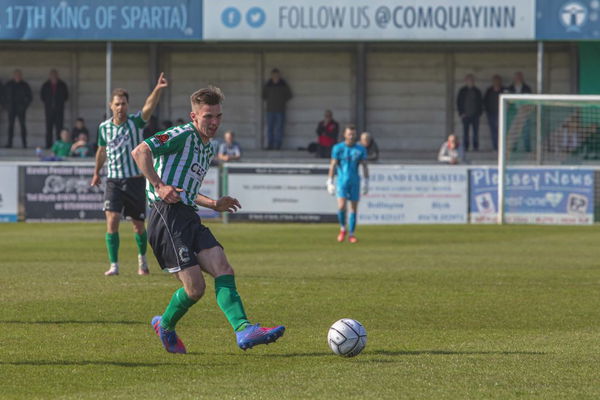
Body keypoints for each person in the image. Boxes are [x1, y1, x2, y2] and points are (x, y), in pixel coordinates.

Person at [131, 85, 285, 354]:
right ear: (194, 116)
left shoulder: (207, 148)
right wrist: (158, 185)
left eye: (218, 117)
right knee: (195, 289)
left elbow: (188, 190)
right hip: (165, 215)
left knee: (223, 267)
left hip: (188, 214)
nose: (214, 123)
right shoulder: (181, 134)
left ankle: (244, 329)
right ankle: (164, 325)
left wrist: (213, 203)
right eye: (207, 117)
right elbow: (140, 151)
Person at [90, 73, 168, 276]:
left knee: (137, 225)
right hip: (113, 181)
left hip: (134, 180)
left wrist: (157, 89)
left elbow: (148, 108)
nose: (120, 107)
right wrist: (96, 172)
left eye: (123, 104)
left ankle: (142, 262)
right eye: (117, 104)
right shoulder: (104, 128)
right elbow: (101, 151)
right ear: (111, 105)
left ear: (127, 105)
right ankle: (114, 265)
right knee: (112, 220)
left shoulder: (135, 122)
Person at [326, 125, 369, 244]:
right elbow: (333, 164)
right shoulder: (338, 148)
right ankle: (343, 229)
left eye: (353, 134)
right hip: (341, 181)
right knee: (341, 206)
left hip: (355, 181)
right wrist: (330, 181)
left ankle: (352, 234)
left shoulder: (360, 149)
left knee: (353, 208)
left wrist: (366, 181)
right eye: (349, 134)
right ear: (345, 135)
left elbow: (364, 165)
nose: (351, 136)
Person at [262, 68, 292, 150]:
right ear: (272, 75)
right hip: (270, 110)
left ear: (279, 75)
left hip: (280, 110)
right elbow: (263, 95)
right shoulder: (268, 84)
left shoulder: (283, 84)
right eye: (274, 75)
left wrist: (281, 101)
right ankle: (270, 145)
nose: (275, 76)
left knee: (279, 129)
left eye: (277, 75)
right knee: (270, 129)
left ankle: (278, 146)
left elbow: (289, 95)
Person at [41, 69, 69, 149]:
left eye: (55, 75)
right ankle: (48, 145)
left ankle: (58, 146)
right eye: (52, 75)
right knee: (48, 128)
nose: (53, 76)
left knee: (59, 129)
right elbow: (42, 96)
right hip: (49, 110)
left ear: (57, 75)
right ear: (49, 76)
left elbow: (66, 96)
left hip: (59, 110)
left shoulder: (62, 85)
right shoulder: (46, 85)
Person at [4, 69, 32, 148]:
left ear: (21, 76)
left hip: (21, 109)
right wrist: (6, 106)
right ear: (13, 76)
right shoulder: (8, 85)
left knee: (22, 126)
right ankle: (9, 143)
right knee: (10, 126)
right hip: (11, 109)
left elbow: (29, 97)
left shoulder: (25, 85)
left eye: (19, 75)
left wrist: (24, 107)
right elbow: (3, 96)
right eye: (16, 75)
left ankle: (24, 144)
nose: (17, 76)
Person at [456, 74, 483, 151]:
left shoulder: (477, 91)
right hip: (465, 115)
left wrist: (479, 113)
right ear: (466, 81)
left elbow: (481, 103)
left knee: (476, 133)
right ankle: (466, 147)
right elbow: (459, 102)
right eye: (468, 80)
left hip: (475, 115)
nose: (470, 82)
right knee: (465, 133)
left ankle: (475, 147)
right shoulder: (462, 91)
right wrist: (461, 113)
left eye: (472, 80)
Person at [483, 75, 507, 151]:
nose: (496, 82)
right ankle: (496, 147)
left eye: (498, 81)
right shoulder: (489, 91)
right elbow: (485, 102)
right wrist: (487, 111)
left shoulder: (504, 90)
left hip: (502, 114)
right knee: (494, 131)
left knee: (503, 131)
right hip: (492, 114)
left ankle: (503, 148)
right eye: (495, 81)